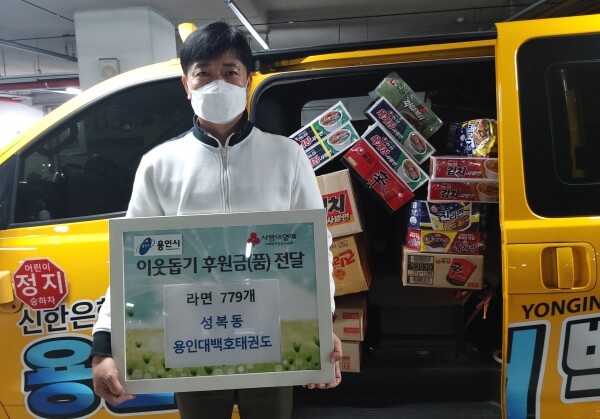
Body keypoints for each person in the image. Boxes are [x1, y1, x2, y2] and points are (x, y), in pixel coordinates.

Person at [90, 21, 342, 419]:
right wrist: (104, 346)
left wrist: (322, 326)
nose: (217, 84)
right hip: (192, 338)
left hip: (270, 335)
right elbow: (130, 261)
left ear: (248, 81)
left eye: (229, 72)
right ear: (186, 85)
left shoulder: (288, 157)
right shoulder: (159, 165)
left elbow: (315, 247)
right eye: (204, 74)